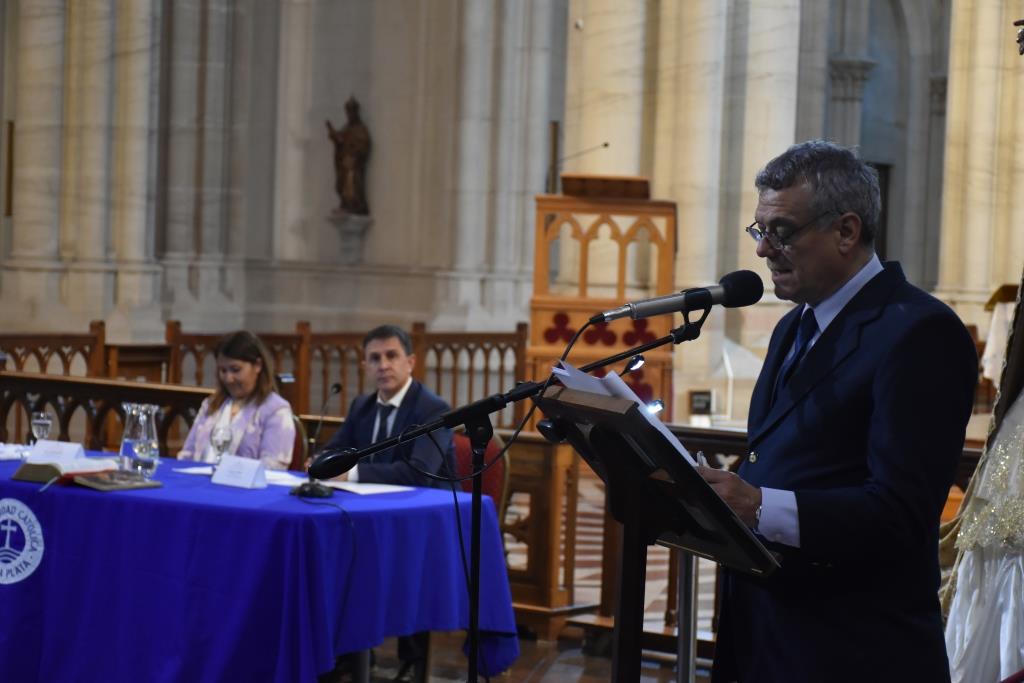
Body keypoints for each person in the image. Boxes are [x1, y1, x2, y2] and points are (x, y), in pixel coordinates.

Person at [697, 140, 977, 682]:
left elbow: (900, 511)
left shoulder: (919, 331)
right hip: (767, 633)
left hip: (853, 646)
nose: (762, 251)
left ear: (846, 231)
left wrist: (758, 505)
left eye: (782, 232)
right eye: (760, 231)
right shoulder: (793, 326)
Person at [321, 324, 455, 487]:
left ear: (410, 363)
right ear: (366, 368)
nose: (383, 366)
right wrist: (322, 461)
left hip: (428, 505)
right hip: (369, 501)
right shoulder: (362, 406)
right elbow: (335, 449)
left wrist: (352, 473)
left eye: (391, 356)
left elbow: (419, 473)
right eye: (375, 358)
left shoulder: (433, 409)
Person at [179, 331, 295, 470]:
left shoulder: (276, 410)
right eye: (223, 370)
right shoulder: (211, 404)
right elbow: (188, 454)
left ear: (257, 365)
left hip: (244, 490)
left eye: (235, 370)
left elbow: (273, 467)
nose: (228, 379)